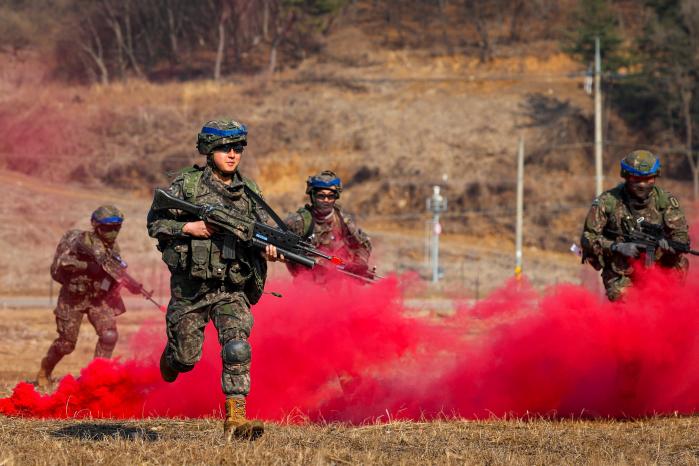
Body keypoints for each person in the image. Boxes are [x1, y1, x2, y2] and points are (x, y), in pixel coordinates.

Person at [147, 119, 281, 441]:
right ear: (209, 150)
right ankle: (171, 358)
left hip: (230, 289)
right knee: (185, 358)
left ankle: (236, 420)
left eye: (237, 149)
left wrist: (270, 250)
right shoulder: (187, 187)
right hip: (190, 291)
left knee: (237, 347)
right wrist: (187, 228)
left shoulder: (250, 193)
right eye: (224, 148)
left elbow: (261, 233)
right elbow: (156, 223)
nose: (232, 155)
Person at [36, 205, 128, 388]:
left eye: (117, 228)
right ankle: (45, 369)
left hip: (97, 298)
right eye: (108, 228)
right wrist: (87, 267)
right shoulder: (79, 240)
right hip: (73, 297)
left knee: (109, 335)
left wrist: (115, 281)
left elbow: (111, 276)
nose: (112, 232)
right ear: (96, 225)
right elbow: (62, 263)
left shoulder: (113, 249)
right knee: (66, 344)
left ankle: (97, 378)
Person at [580, 150, 690, 301]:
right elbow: (588, 238)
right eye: (636, 179)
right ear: (626, 176)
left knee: (671, 299)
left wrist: (669, 246)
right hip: (622, 270)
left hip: (660, 266)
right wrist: (616, 247)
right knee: (628, 306)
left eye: (648, 179)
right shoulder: (608, 202)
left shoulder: (665, 201)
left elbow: (681, 236)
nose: (642, 184)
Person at [285, 170, 372, 279]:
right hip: (307, 286)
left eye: (331, 196)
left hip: (336, 285)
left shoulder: (341, 220)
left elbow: (363, 243)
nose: (326, 200)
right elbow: (273, 238)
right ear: (312, 196)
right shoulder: (300, 222)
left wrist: (359, 263)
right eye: (321, 196)